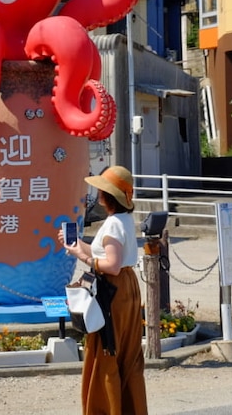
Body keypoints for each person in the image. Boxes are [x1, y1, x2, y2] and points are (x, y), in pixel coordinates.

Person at [60, 165, 147, 415]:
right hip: (127, 288)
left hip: (112, 291)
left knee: (106, 351)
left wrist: (80, 255)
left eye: (100, 189)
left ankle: (106, 409)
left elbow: (112, 265)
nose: (97, 193)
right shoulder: (123, 220)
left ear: (106, 196)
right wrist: (80, 245)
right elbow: (110, 257)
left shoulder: (111, 226)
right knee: (128, 354)